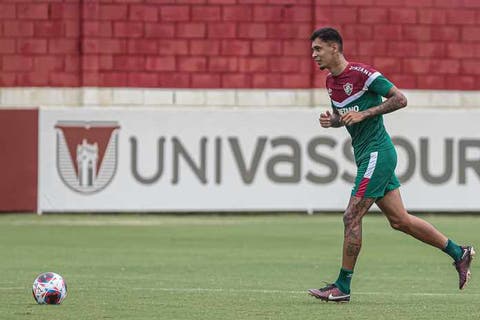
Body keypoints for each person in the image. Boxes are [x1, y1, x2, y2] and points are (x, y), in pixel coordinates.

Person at [307, 27, 475, 303]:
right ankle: (460, 253)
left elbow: (400, 99)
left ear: (334, 48)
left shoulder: (363, 74)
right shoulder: (330, 82)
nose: (313, 55)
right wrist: (333, 121)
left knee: (351, 216)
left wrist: (365, 114)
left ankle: (342, 287)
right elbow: (345, 116)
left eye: (318, 49)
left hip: (377, 153)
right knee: (400, 221)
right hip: (365, 154)